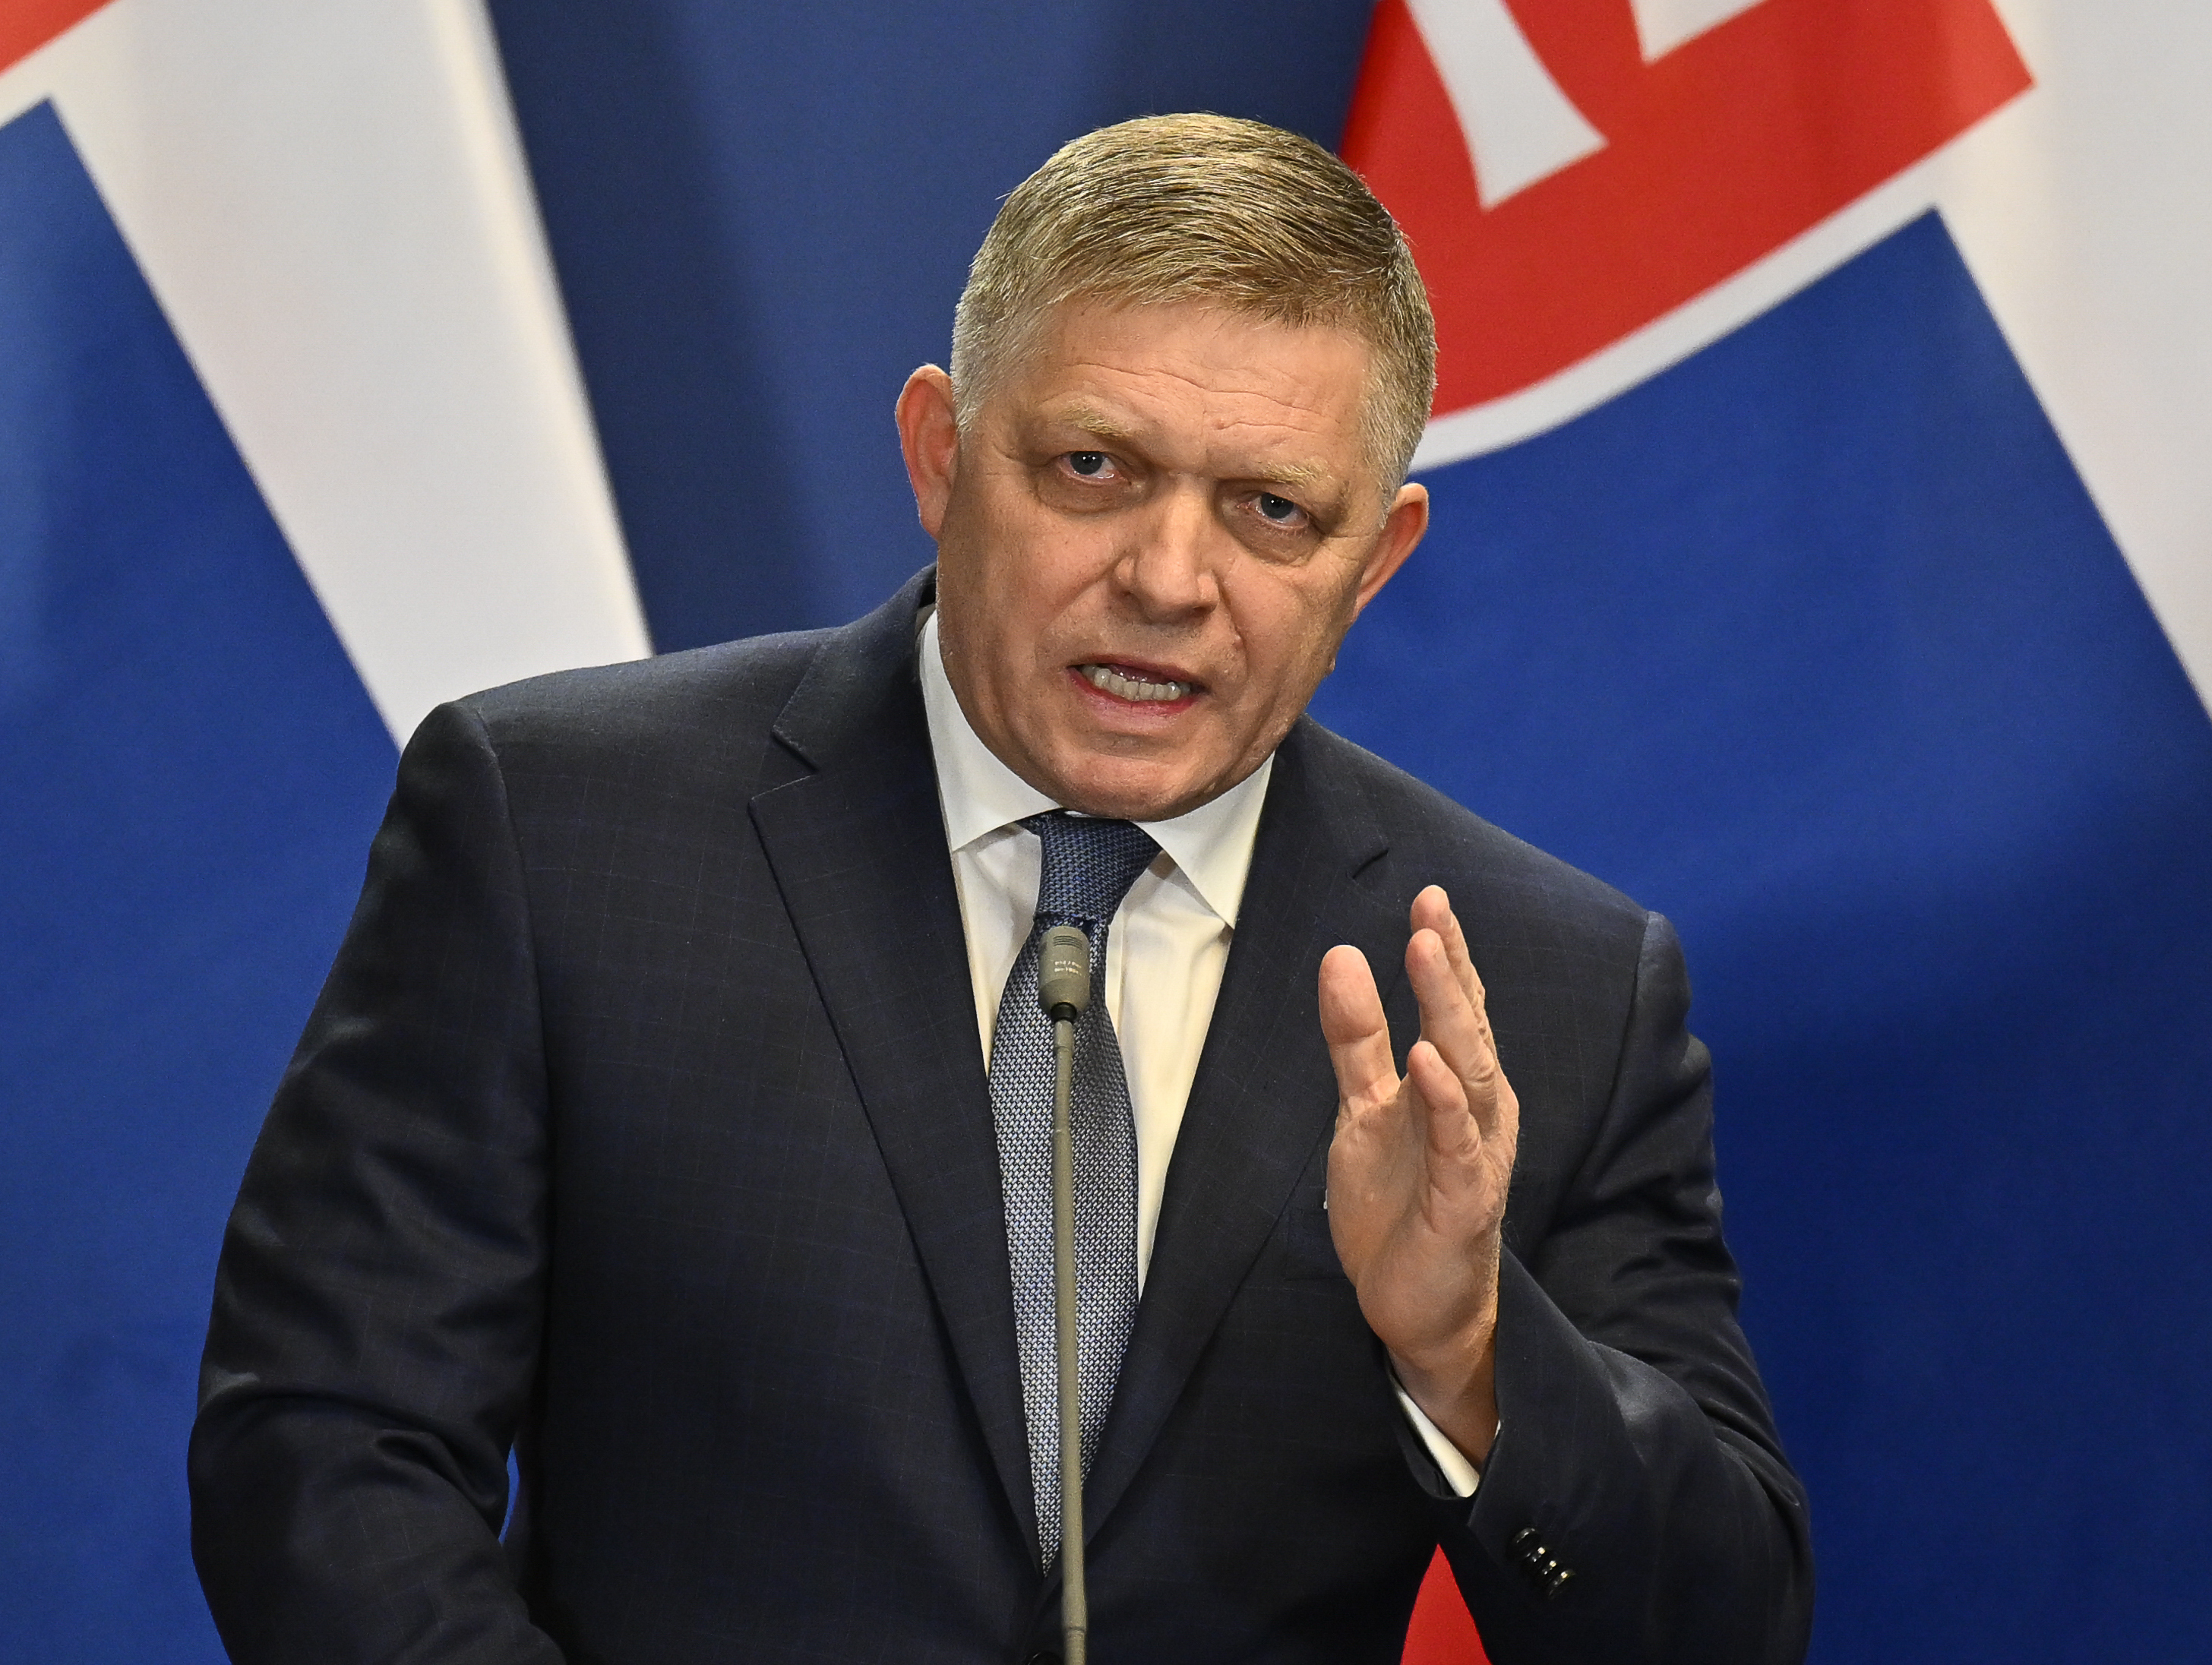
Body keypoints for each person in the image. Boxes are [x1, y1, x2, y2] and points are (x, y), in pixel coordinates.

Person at [190, 114, 1812, 1663]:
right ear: (941, 456)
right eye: (1094, 466)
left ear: (1373, 559)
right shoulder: (564, 831)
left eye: (1270, 510)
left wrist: (1471, 1351)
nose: (1168, 581)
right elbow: (329, 1443)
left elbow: (1716, 1629)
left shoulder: (1546, 993)